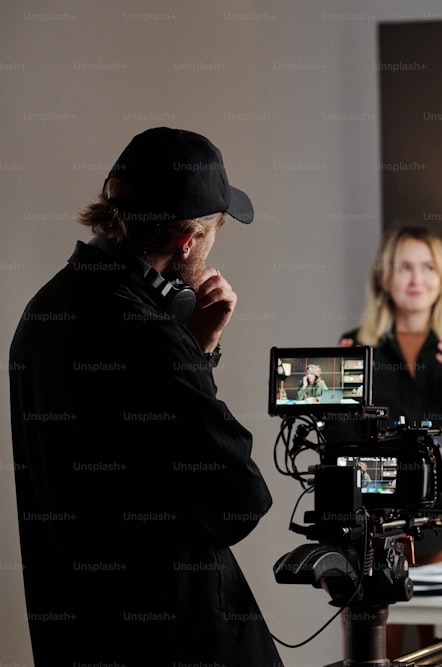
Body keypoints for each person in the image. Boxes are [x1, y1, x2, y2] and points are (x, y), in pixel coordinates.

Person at [9, 127, 281, 666]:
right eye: (214, 232)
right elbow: (240, 503)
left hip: (82, 634)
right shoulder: (149, 336)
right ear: (188, 240)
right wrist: (190, 356)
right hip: (180, 640)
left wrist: (194, 349)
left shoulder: (43, 312)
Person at [338, 224, 442, 655]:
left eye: (428, 268)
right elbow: (340, 443)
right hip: (374, 529)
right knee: (374, 649)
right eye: (405, 267)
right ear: (385, 278)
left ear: (441, 279)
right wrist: (342, 396)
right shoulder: (359, 347)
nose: (416, 279)